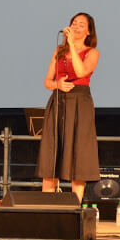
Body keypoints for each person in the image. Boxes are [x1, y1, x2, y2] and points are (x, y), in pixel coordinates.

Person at [35, 12, 101, 203]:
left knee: (78, 151)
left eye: (81, 25)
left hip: (80, 101)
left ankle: (75, 205)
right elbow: (47, 81)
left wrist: (72, 44)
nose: (76, 26)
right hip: (59, 100)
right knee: (52, 150)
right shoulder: (58, 51)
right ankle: (47, 204)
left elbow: (81, 71)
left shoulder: (92, 53)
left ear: (88, 31)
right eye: (74, 23)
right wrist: (57, 85)